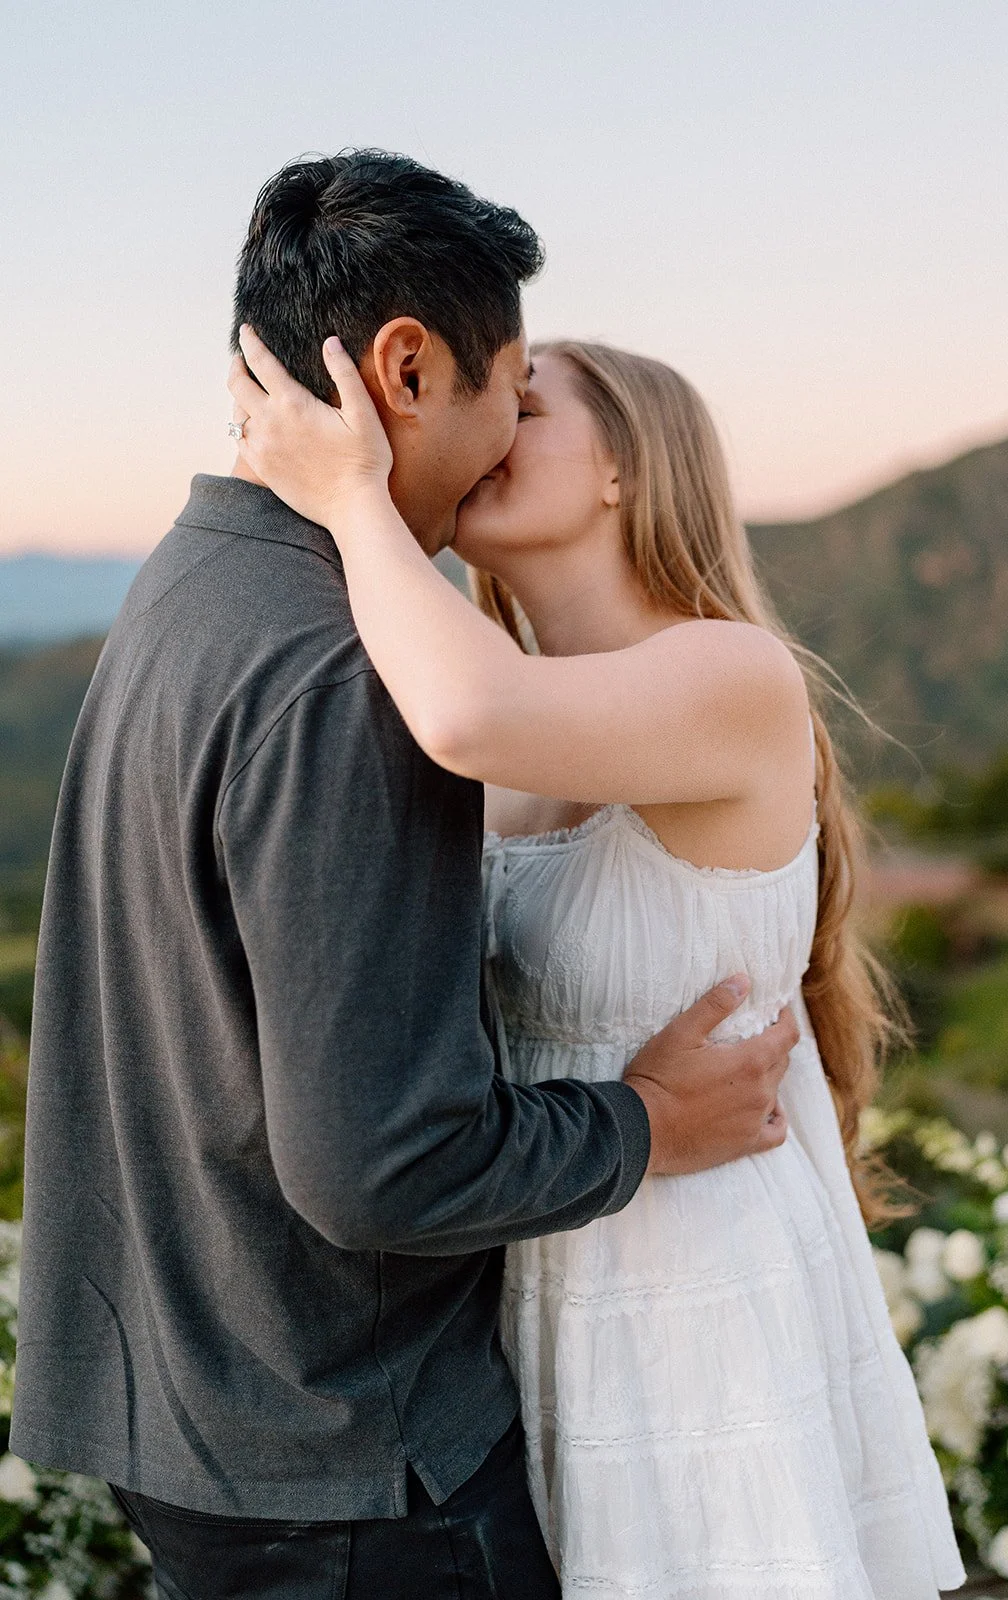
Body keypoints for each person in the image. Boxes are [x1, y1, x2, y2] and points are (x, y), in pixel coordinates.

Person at [10, 151, 800, 1600]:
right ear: (408, 366)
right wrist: (641, 1121)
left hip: (202, 1418)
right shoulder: (344, 676)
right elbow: (379, 1164)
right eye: (509, 383)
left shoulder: (190, 589)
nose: (505, 430)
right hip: (351, 1466)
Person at [227, 323, 969, 1598]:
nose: (489, 428)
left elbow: (462, 713)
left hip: (699, 1278)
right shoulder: (520, 725)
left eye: (530, 405)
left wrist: (351, 493)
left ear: (627, 465)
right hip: (545, 1267)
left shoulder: (729, 671)